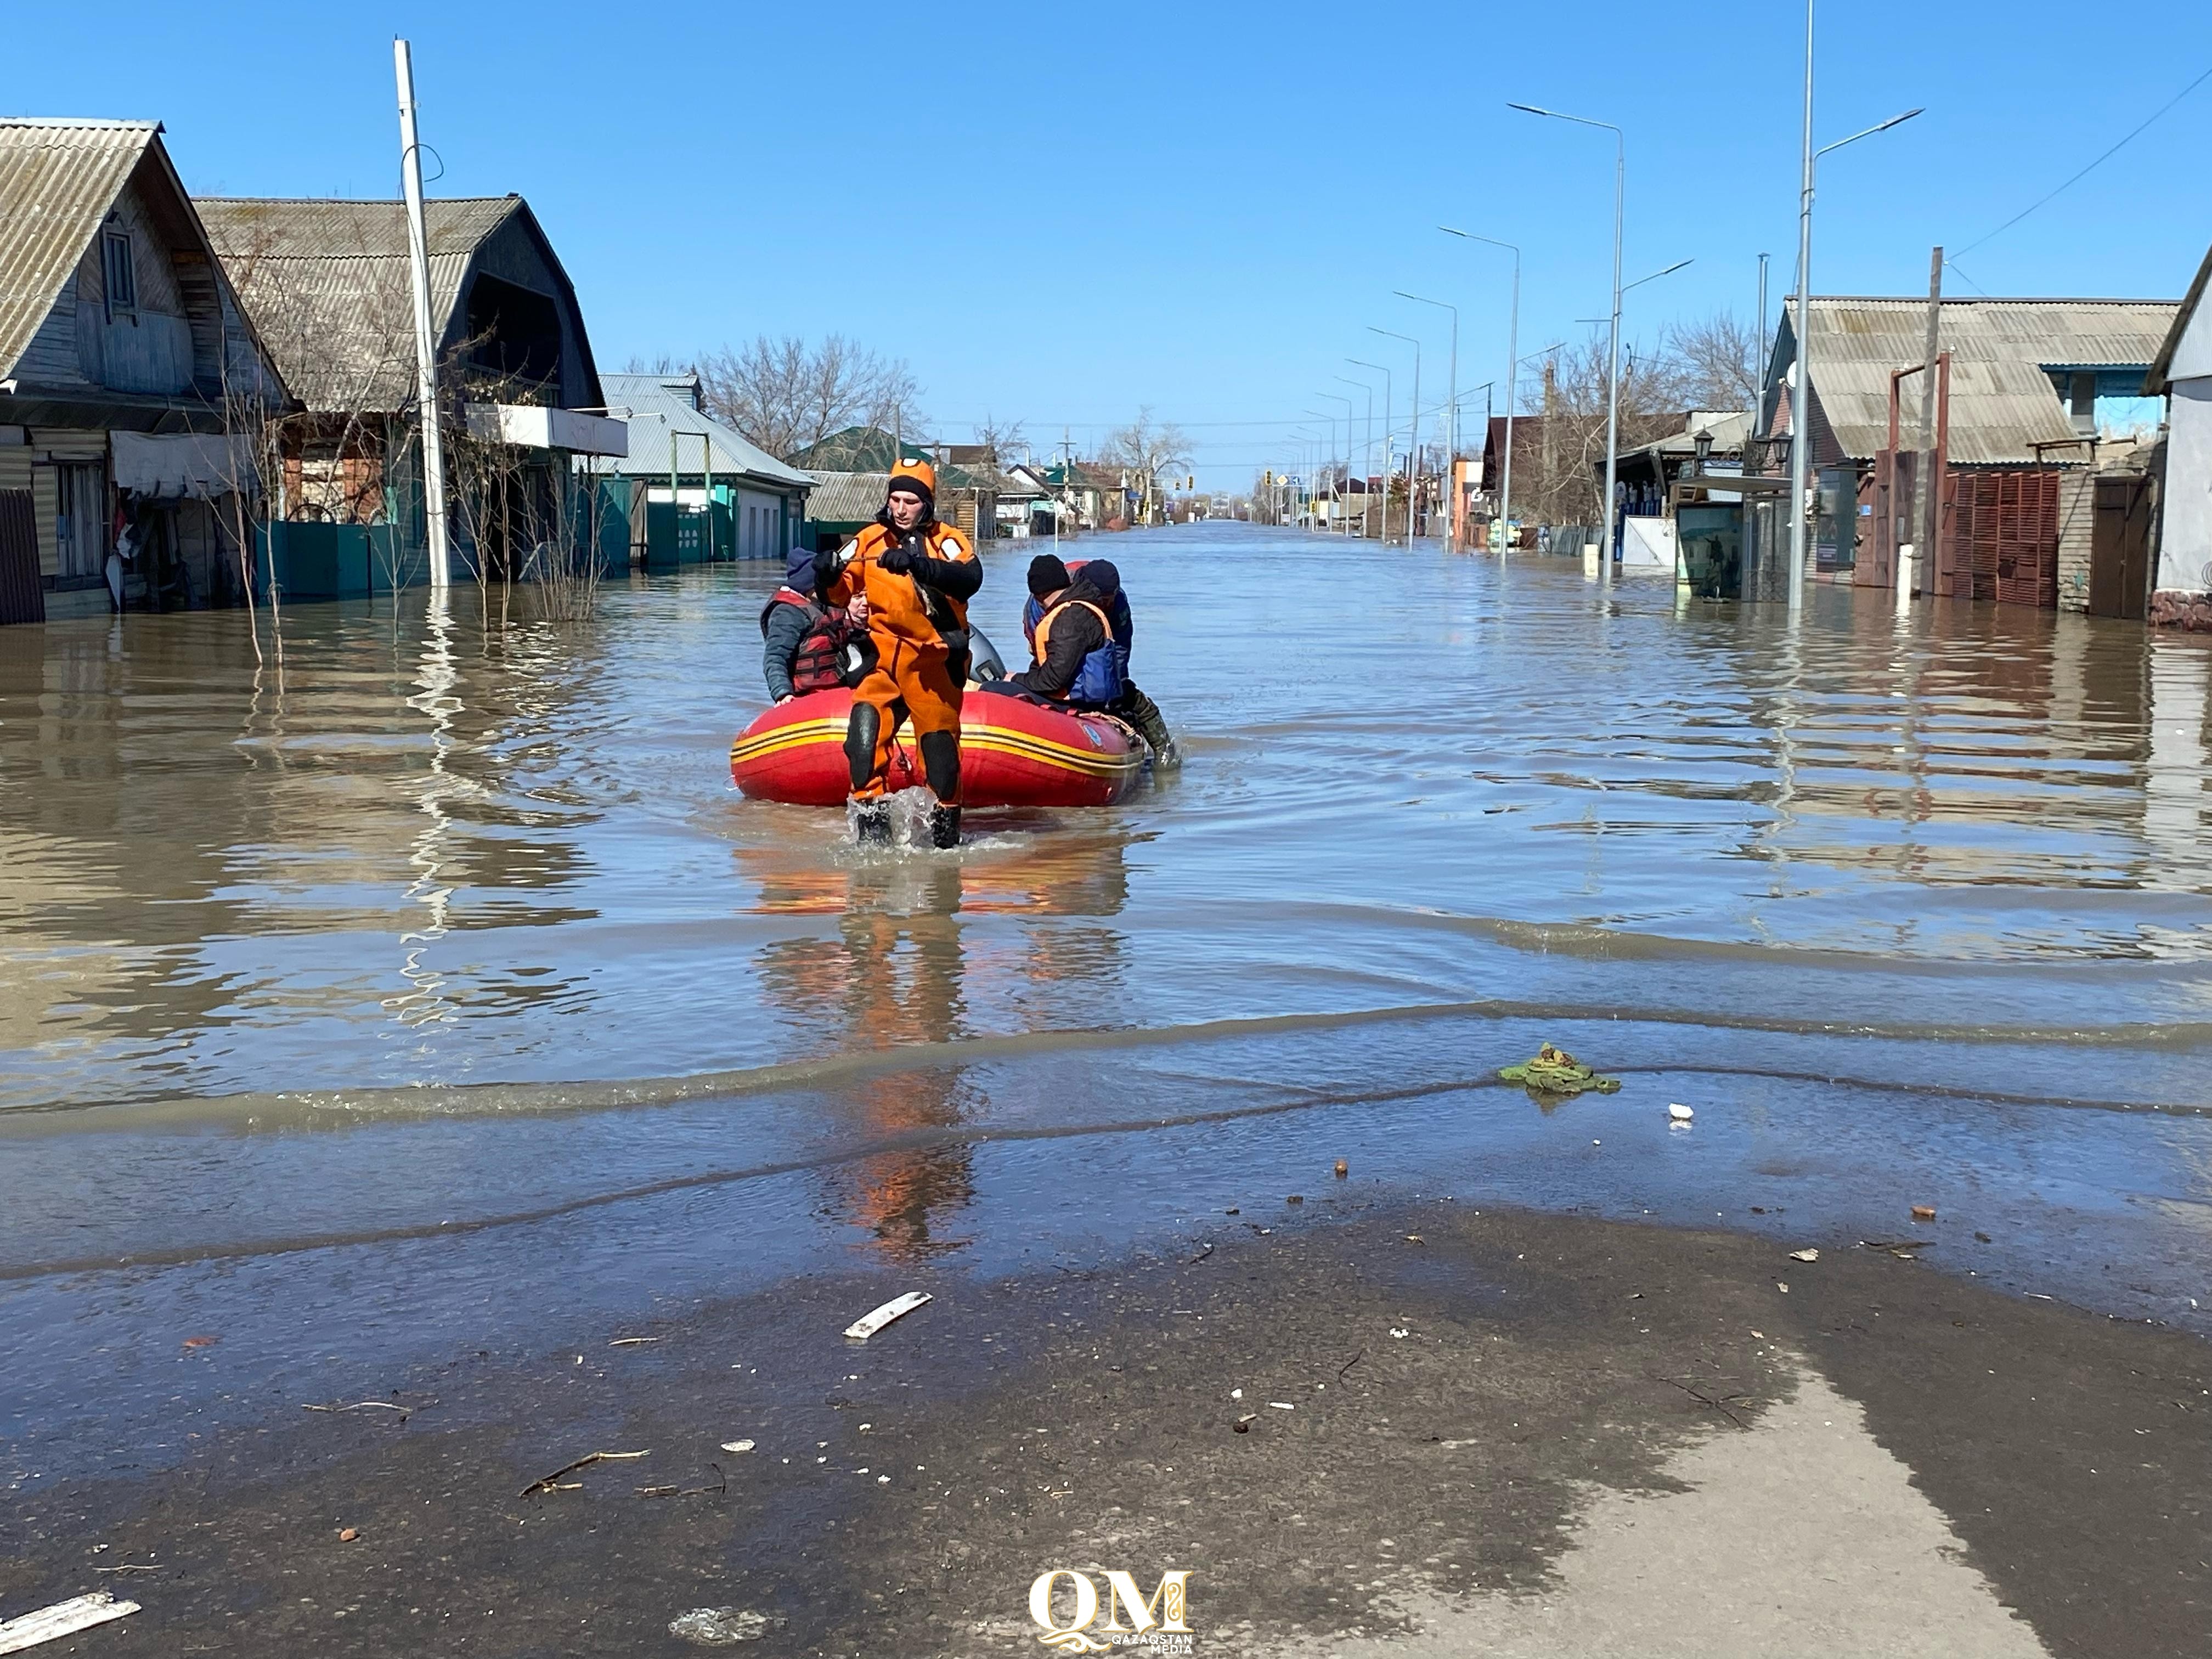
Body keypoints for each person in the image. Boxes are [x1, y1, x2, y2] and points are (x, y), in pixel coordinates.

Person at [817, 458, 981, 848]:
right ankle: (874, 845)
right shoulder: (870, 539)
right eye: (896, 500)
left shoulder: (948, 540)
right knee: (863, 738)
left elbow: (970, 579)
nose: (902, 509)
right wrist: (824, 575)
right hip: (883, 660)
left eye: (911, 501)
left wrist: (919, 566)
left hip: (933, 664)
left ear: (927, 503)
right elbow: (838, 593)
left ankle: (945, 843)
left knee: (940, 758)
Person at [1017, 555, 1177, 763]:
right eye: (1104, 600)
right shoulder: (1044, 602)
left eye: (1110, 599)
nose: (1107, 604)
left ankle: (1162, 748)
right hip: (1055, 635)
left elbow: (1118, 650)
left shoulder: (1118, 607)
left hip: (1104, 635)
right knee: (1054, 673)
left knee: (1119, 687)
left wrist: (1111, 690)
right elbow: (1042, 649)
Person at [760, 543, 869, 703]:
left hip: (840, 690)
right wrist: (783, 693)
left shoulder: (827, 606)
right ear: (809, 585)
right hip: (807, 697)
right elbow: (776, 657)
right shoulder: (788, 613)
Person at [1009, 554, 1120, 706]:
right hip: (1084, 692)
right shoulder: (1080, 606)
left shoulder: (1069, 619)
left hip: (1078, 699)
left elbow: (1053, 680)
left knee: (995, 688)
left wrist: (1014, 679)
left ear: (1039, 595)